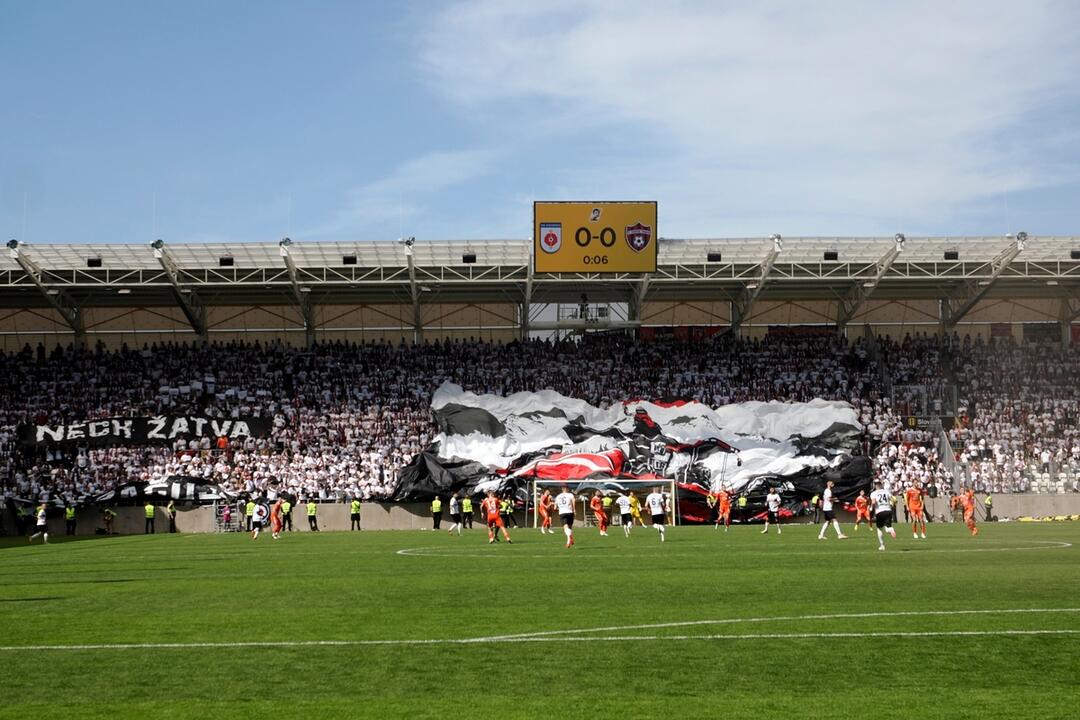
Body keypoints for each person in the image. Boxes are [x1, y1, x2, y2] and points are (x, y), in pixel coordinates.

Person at [870, 480, 897, 551]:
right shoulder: (886, 491)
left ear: (875, 485)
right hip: (888, 510)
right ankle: (891, 529)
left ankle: (882, 545)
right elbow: (893, 499)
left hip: (880, 511)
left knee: (879, 528)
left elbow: (873, 502)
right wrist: (893, 503)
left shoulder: (873, 493)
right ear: (881, 484)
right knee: (888, 527)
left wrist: (871, 508)